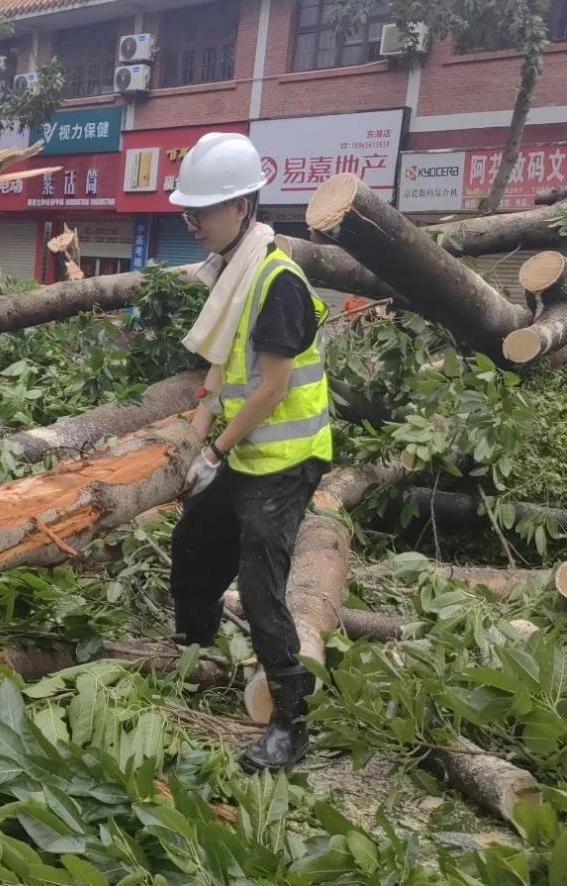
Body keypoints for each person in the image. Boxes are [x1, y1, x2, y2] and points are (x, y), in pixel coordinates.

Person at [168, 133, 332, 772]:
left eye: (201, 212)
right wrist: (196, 433)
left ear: (241, 207)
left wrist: (214, 450)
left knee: (262, 589)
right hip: (245, 454)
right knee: (194, 542)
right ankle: (195, 644)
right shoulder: (236, 276)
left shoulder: (276, 281)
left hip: (284, 463)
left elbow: (271, 386)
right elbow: (221, 371)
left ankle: (291, 721)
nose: (194, 224)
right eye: (189, 213)